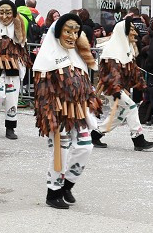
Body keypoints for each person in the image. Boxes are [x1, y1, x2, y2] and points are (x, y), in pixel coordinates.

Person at [32, 14, 101, 209]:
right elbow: (43, 91)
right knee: (59, 153)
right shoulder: (47, 57)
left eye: (75, 31)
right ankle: (53, 192)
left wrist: (91, 102)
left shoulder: (76, 55)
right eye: (67, 31)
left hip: (79, 112)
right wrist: (49, 116)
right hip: (58, 112)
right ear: (58, 32)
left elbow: (85, 83)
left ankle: (67, 185)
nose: (72, 35)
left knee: (85, 147)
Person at [92, 19, 153, 151]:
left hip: (118, 88)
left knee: (119, 115)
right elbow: (112, 74)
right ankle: (138, 139)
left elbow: (134, 70)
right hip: (112, 88)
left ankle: (95, 135)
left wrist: (142, 85)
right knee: (132, 107)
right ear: (124, 32)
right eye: (131, 30)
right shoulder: (112, 51)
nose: (135, 33)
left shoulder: (126, 49)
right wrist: (117, 90)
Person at [0, 0, 31, 140]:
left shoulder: (18, 26)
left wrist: (23, 65)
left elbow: (23, 46)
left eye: (8, 13)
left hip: (13, 66)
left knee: (12, 99)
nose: (4, 16)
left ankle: (10, 128)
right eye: (2, 13)